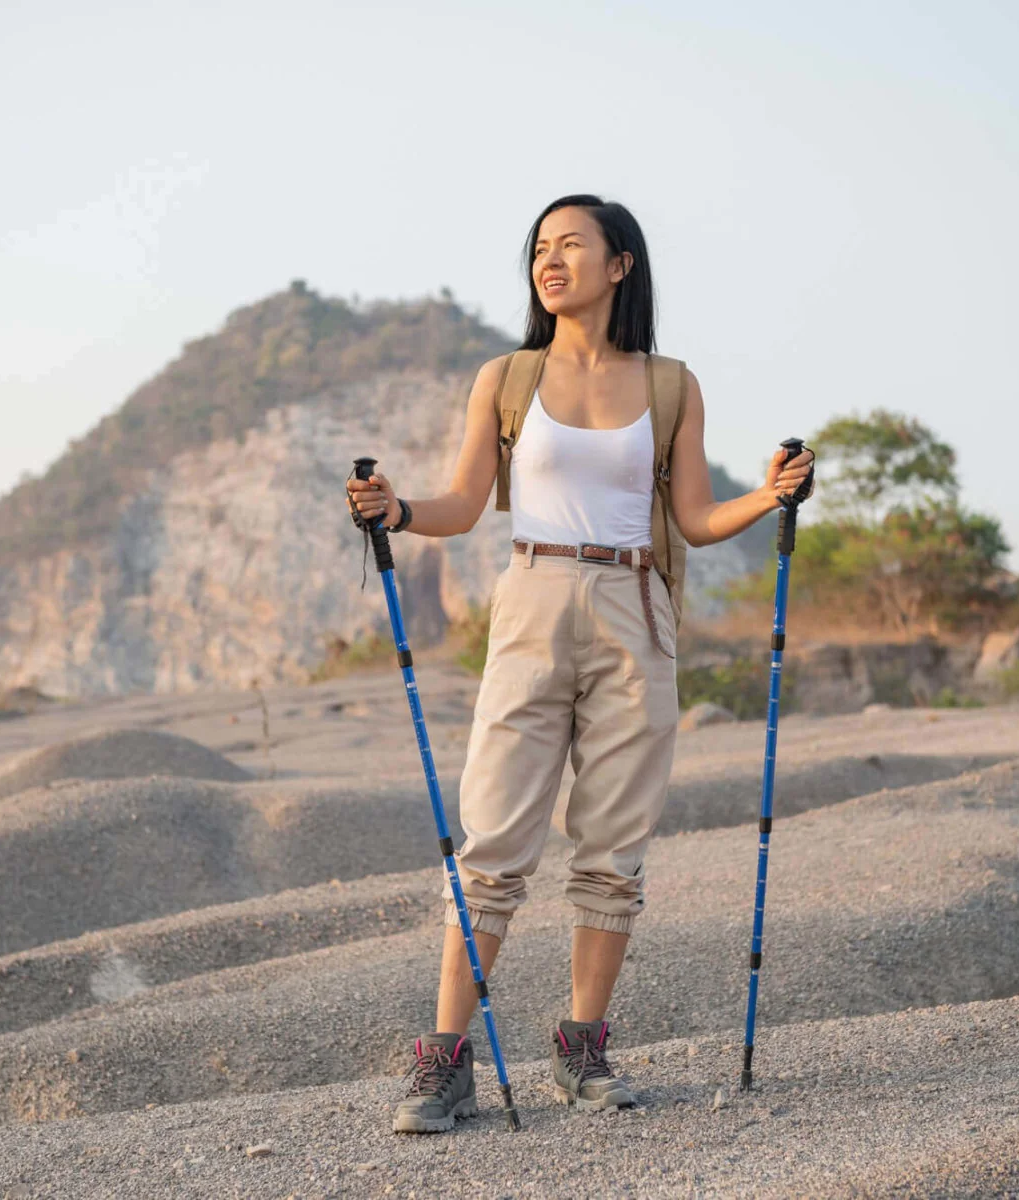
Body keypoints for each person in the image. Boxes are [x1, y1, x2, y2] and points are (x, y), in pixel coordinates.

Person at [345, 194, 814, 1133]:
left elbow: (691, 519)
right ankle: (444, 1065)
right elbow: (466, 503)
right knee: (492, 840)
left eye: (571, 247)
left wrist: (769, 496)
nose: (550, 262)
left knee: (612, 848)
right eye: (540, 250)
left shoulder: (671, 384)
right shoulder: (508, 377)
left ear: (620, 266)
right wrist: (395, 511)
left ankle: (583, 1050)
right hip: (532, 598)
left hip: (638, 609)